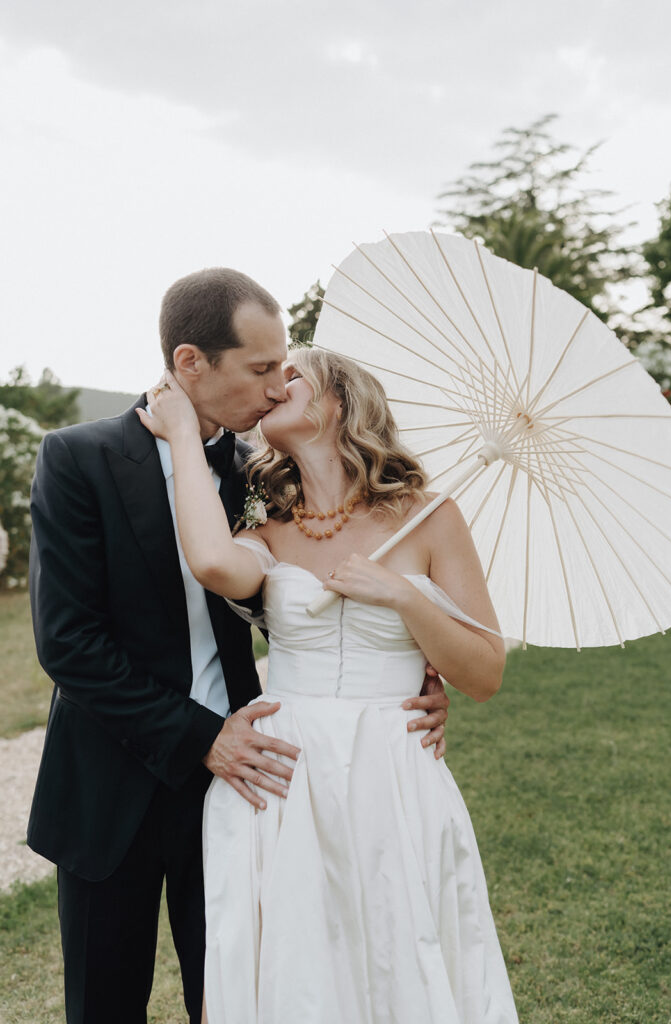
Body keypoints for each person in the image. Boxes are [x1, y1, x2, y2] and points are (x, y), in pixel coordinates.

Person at [26, 268, 450, 1024]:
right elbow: (69, 643)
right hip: (110, 780)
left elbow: (310, 592)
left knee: (235, 997)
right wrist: (202, 737)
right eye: (259, 369)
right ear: (191, 363)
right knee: (103, 1003)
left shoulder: (262, 476)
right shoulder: (77, 457)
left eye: (282, 368)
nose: (274, 387)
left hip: (244, 784)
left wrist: (405, 666)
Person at [138, 347, 519, 1023]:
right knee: (295, 967)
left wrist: (405, 598)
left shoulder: (431, 518)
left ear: (337, 402)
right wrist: (178, 436)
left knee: (397, 949)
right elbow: (210, 562)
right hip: (281, 775)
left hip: (391, 771)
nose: (273, 385)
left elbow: (484, 673)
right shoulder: (270, 532)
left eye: (293, 376)